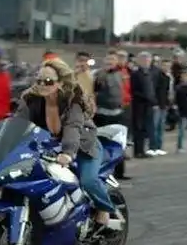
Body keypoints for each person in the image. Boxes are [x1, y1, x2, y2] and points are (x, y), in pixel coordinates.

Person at [14, 58, 116, 226]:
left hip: (82, 145)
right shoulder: (31, 99)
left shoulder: (72, 100)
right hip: (49, 146)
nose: (42, 85)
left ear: (60, 82)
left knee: (88, 181)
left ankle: (104, 208)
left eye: (48, 81)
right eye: (39, 80)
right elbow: (18, 123)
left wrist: (68, 152)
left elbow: (72, 127)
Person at [93, 51, 130, 180]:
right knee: (102, 145)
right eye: (108, 60)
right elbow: (94, 90)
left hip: (118, 113)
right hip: (102, 114)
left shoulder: (122, 74)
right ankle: (103, 172)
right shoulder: (98, 75)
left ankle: (119, 172)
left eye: (112, 60)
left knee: (119, 144)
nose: (110, 63)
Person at [130, 51, 158, 158]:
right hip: (139, 105)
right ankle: (138, 151)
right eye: (144, 60)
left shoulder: (150, 73)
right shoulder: (135, 74)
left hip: (148, 105)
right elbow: (134, 90)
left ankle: (142, 150)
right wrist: (146, 98)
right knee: (138, 128)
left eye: (148, 60)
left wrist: (153, 100)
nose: (146, 62)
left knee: (145, 129)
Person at [150, 59, 171, 156]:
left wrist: (167, 103)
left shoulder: (167, 78)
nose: (166, 68)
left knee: (161, 127)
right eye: (164, 65)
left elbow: (166, 92)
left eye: (168, 66)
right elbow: (154, 90)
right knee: (154, 127)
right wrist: (154, 103)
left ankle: (159, 147)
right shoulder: (156, 76)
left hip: (164, 105)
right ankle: (153, 147)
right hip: (157, 105)